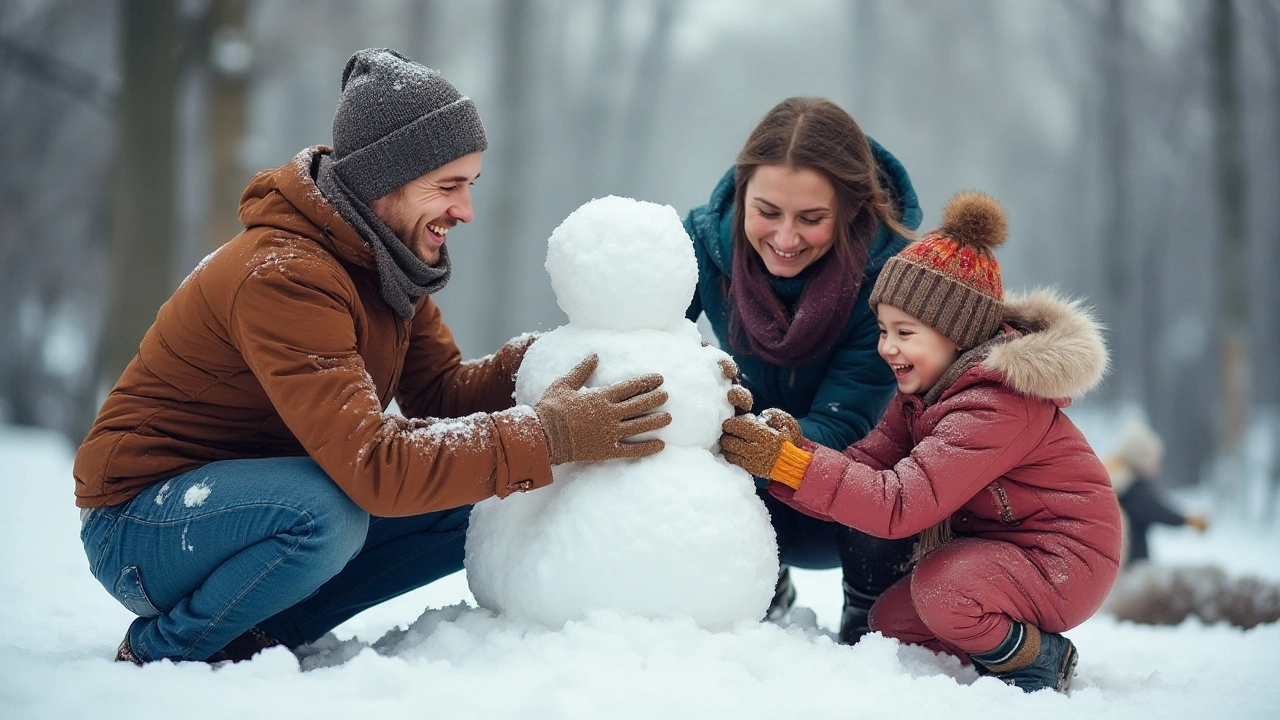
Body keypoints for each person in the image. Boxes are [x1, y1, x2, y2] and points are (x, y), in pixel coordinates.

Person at [74, 48, 675, 665]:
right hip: (141, 528)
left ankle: (261, 630)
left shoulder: (383, 264)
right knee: (327, 513)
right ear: (382, 180)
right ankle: (166, 649)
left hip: (254, 506)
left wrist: (556, 356)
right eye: (448, 187)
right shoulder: (285, 275)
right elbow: (375, 468)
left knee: (475, 498)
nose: (465, 210)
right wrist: (548, 435)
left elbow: (441, 395)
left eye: (469, 185)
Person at [719, 192, 1123, 693]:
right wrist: (787, 457)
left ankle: (1035, 658)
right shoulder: (924, 395)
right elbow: (864, 467)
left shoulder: (995, 406)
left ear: (956, 334)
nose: (888, 347)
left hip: (1063, 558)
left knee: (944, 592)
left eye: (905, 332)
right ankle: (982, 647)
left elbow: (902, 502)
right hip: (995, 550)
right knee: (890, 625)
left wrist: (796, 464)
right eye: (884, 330)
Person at [683, 97, 922, 642]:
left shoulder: (895, 279)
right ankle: (755, 588)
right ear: (742, 193)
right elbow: (643, 343)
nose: (785, 239)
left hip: (856, 503)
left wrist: (745, 442)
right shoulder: (696, 244)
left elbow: (844, 426)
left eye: (811, 219)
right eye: (767, 212)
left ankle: (873, 619)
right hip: (742, 490)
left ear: (852, 210)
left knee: (892, 472)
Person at [1105, 419, 1210, 566]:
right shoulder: (1135, 488)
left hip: (1115, 560)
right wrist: (1187, 519)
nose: (1157, 466)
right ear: (1142, 459)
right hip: (1131, 561)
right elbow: (1159, 511)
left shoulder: (1114, 476)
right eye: (1154, 460)